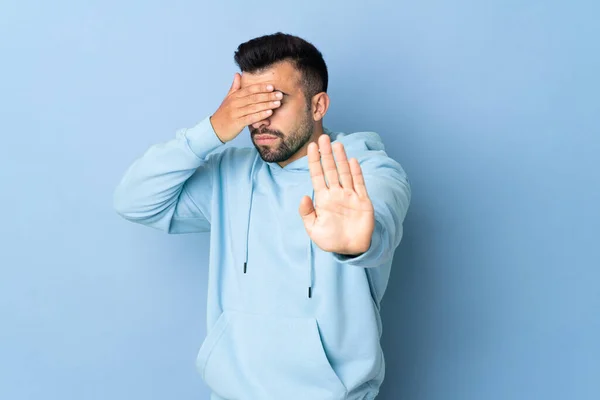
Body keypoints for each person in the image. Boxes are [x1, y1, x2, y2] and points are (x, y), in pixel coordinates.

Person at [113, 32, 411, 400]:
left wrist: (359, 243)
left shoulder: (366, 170)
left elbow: (382, 219)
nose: (260, 119)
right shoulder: (229, 175)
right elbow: (133, 200)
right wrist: (210, 131)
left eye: (275, 101)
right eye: (250, 103)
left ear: (318, 106)